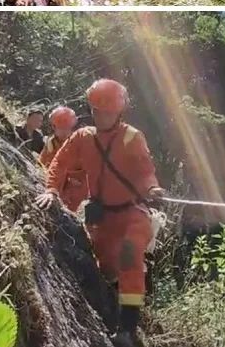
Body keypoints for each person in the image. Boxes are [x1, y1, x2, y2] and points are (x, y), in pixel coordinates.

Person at [36, 79, 164, 347]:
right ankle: (121, 307)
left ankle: (127, 329)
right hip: (102, 216)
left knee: (130, 253)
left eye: (105, 111)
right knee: (106, 269)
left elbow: (145, 172)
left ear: (119, 111)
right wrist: (51, 190)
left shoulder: (132, 137)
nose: (100, 115)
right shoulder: (83, 138)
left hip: (133, 212)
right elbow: (60, 163)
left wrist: (152, 188)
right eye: (95, 110)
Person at [39, 106, 89, 212]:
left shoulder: (79, 144)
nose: (65, 132)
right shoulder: (50, 143)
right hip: (54, 185)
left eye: (67, 128)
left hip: (75, 191)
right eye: (61, 128)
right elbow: (42, 163)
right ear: (53, 126)